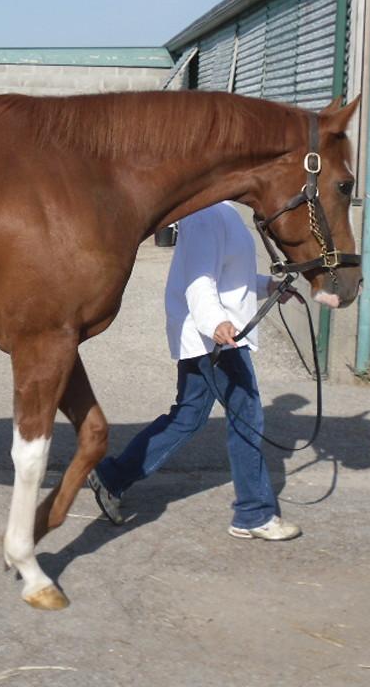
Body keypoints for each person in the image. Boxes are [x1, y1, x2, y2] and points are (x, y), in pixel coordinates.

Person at [88, 201, 301, 540]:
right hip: (217, 340)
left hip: (211, 336)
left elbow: (231, 277)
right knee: (247, 418)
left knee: (187, 417)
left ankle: (112, 477)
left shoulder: (225, 211)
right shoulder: (206, 214)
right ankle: (253, 514)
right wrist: (215, 323)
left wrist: (268, 287)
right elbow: (199, 281)